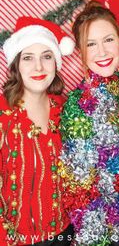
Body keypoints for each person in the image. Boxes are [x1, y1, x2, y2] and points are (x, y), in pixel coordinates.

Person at [58, 0, 119, 246]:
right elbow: (79, 186)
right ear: (80, 51)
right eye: (90, 44)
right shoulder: (77, 104)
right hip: (103, 231)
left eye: (108, 40)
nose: (102, 52)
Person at [0, 17, 75, 246]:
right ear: (16, 65)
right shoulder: (3, 115)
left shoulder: (67, 111)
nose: (39, 67)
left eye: (47, 56)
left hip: (63, 233)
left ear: (56, 62)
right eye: (28, 58)